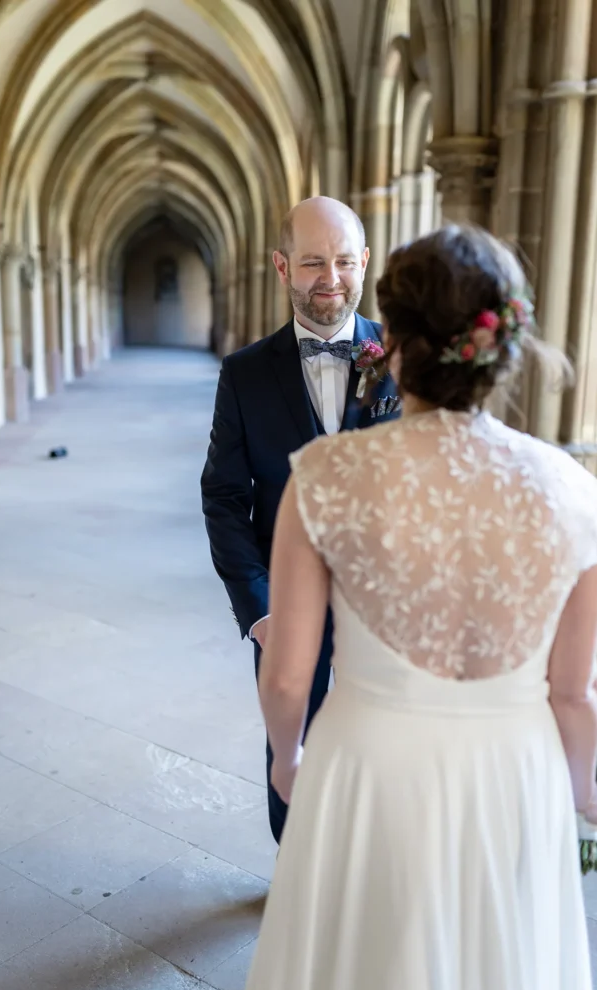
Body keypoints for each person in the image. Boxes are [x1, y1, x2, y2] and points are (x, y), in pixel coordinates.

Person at [240, 224, 597, 990]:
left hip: (365, 767)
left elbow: (286, 673)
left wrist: (286, 760)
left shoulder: (327, 476)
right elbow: (576, 690)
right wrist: (583, 793)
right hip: (509, 775)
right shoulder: (569, 488)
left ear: (394, 342)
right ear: (500, 345)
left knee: (359, 979)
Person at [201, 196, 400, 843]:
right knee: (289, 749)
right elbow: (225, 498)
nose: (330, 278)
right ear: (281, 266)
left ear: (363, 262)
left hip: (387, 611)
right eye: (313, 261)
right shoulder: (244, 375)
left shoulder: (405, 364)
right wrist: (257, 610)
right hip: (285, 607)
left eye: (344, 261)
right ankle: (296, 886)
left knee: (384, 750)